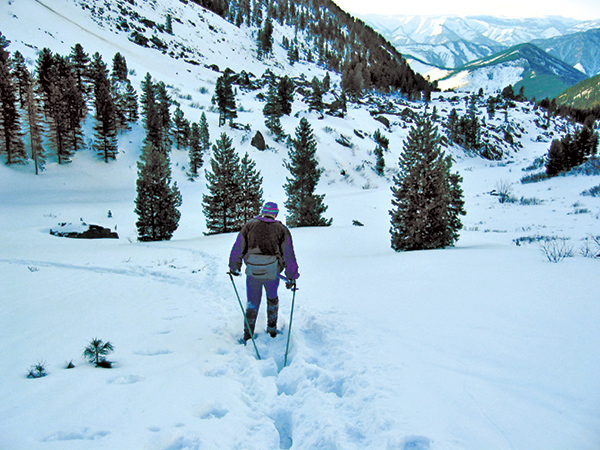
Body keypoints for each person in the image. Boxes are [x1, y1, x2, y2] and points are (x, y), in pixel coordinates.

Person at [229, 201, 299, 342]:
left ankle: (248, 335)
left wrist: (234, 267)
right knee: (272, 298)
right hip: (272, 273)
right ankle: (272, 330)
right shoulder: (281, 229)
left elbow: (238, 247)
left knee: (252, 302)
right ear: (275, 213)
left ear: (263, 211)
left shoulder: (249, 226)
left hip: (253, 272)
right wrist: (291, 275)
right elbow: (288, 254)